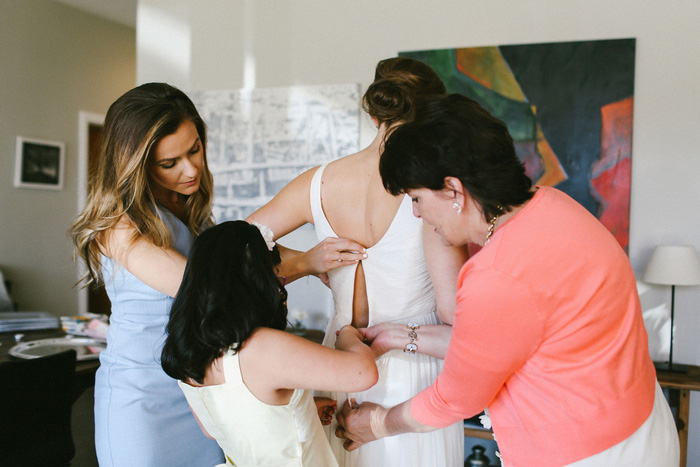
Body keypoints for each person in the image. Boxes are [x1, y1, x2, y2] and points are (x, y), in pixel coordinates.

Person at [336, 94, 680, 467]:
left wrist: (377, 423)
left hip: (590, 452)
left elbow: (455, 398)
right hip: (641, 423)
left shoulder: (497, 273)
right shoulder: (554, 205)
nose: (418, 214)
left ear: (453, 190)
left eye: (417, 198)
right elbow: (497, 344)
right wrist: (400, 336)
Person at [246, 57, 467, 466]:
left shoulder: (316, 183)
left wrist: (306, 262)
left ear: (374, 112)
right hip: (414, 374)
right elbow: (457, 317)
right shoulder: (431, 195)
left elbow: (229, 253)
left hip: (334, 369)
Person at [69, 83, 224, 466]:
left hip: (198, 390)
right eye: (170, 163)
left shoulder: (186, 212)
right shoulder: (120, 225)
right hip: (143, 402)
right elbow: (202, 287)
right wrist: (299, 263)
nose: (191, 169)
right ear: (135, 165)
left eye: (194, 150)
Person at [160, 220, 378, 467]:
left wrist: (298, 410)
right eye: (275, 271)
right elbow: (364, 372)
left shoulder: (187, 354)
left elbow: (216, 427)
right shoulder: (261, 347)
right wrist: (347, 333)